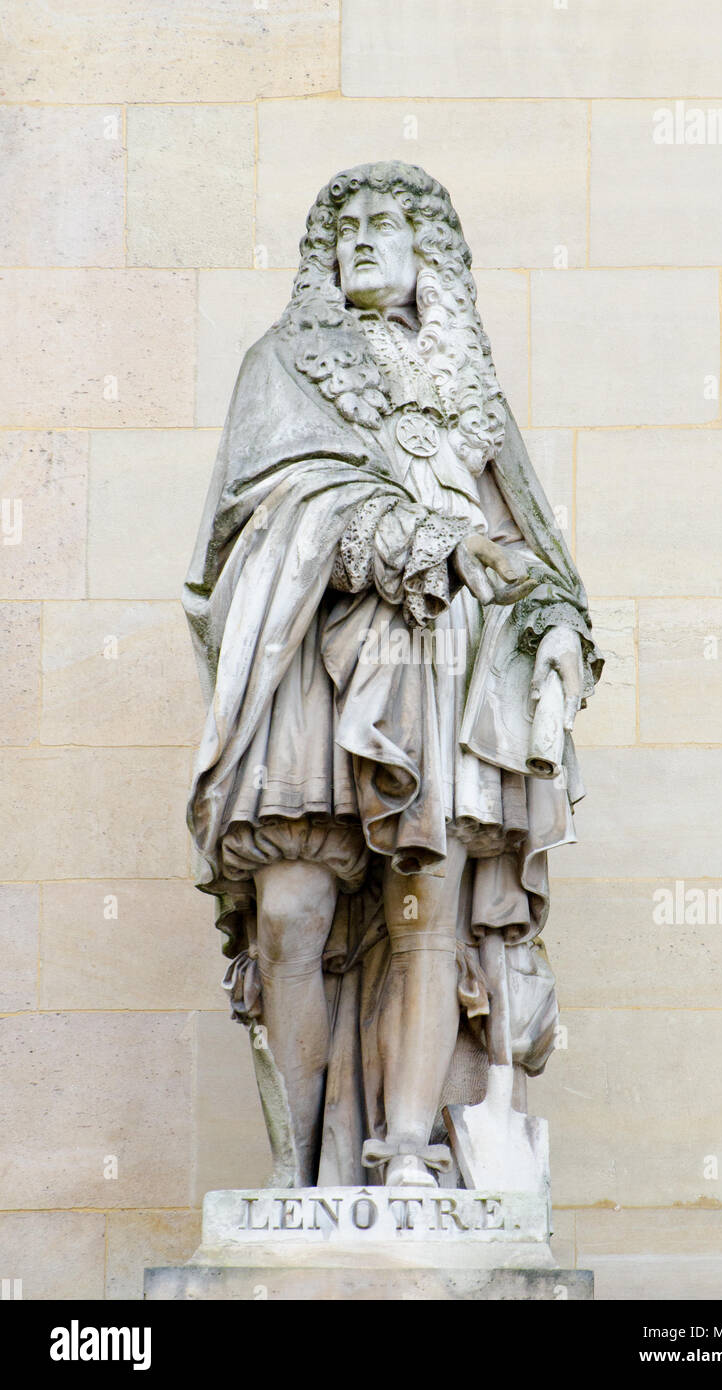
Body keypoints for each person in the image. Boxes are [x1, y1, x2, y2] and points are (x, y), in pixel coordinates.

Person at [184, 161, 603, 1189]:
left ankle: (409, 1150)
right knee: (290, 906)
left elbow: (536, 556)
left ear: (432, 254)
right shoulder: (281, 362)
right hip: (309, 665)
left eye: (387, 223)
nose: (362, 240)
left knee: (426, 903)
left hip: (444, 667)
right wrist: (416, 539)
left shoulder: (472, 392)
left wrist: (556, 628)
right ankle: (298, 1171)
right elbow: (260, 516)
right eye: (346, 228)